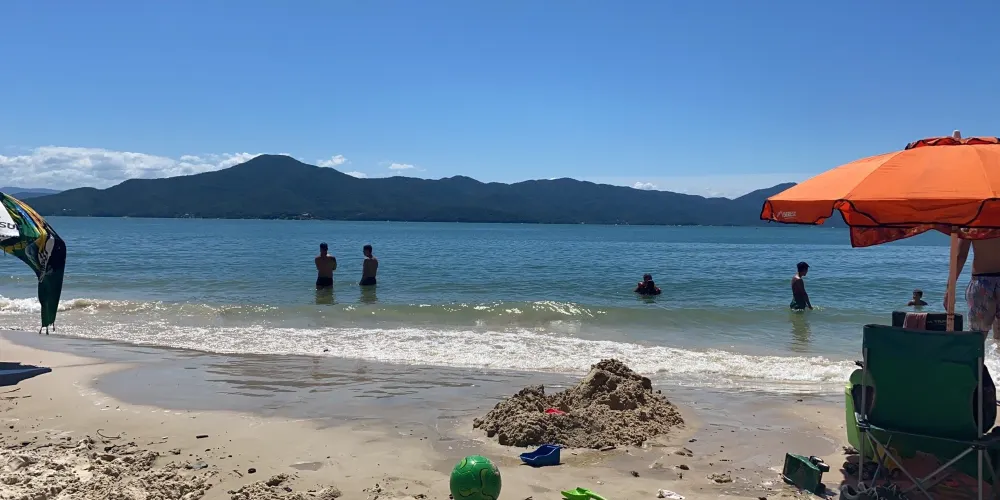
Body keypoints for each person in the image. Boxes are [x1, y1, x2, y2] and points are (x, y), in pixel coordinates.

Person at [945, 238, 1000, 336]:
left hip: (982, 283)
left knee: (977, 336)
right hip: (983, 281)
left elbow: (961, 257)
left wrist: (950, 289)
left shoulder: (974, 228)